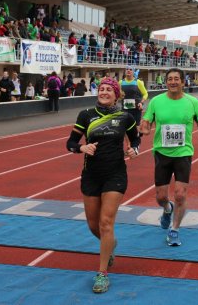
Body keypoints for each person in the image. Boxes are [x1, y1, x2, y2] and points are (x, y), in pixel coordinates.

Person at [65, 77, 140, 294]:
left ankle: (102, 274)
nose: (104, 92)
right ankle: (110, 245)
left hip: (115, 174)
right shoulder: (86, 115)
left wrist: (134, 150)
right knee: (93, 225)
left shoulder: (125, 117)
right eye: (102, 89)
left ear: (117, 95)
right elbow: (70, 142)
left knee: (106, 222)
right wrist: (81, 148)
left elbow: (135, 140)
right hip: (91, 175)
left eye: (109, 89)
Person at [139, 68, 198, 247]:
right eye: (169, 79)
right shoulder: (156, 101)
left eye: (176, 79)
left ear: (183, 82)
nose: (173, 82)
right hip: (161, 153)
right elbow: (147, 122)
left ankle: (174, 230)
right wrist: (143, 128)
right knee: (160, 197)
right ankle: (167, 208)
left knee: (180, 195)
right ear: (166, 82)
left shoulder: (193, 102)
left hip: (183, 153)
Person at [119, 65, 148, 143]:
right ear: (125, 71)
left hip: (136, 109)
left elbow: (145, 94)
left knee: (135, 128)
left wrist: (141, 103)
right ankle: (129, 146)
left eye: (130, 70)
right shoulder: (121, 82)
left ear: (133, 72)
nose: (128, 71)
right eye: (127, 69)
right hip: (125, 108)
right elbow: (118, 95)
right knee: (125, 128)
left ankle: (135, 144)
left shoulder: (138, 82)